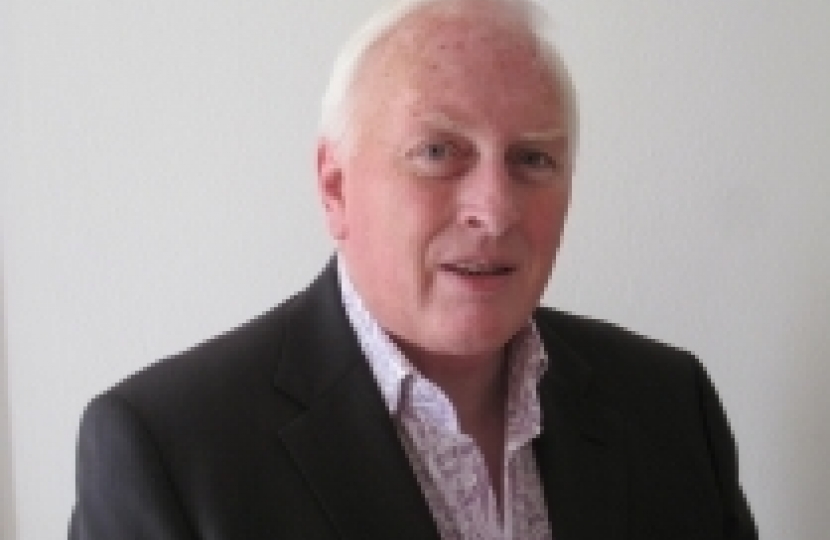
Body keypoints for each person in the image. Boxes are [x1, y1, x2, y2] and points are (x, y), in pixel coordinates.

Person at [69, 0, 758, 538]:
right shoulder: (173, 450)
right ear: (335, 187)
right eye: (437, 152)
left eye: (532, 159)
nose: (494, 211)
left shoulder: (669, 407)